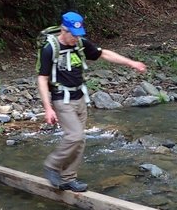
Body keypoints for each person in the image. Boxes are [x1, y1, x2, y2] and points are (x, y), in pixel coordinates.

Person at [38, 11, 147, 192]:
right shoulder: (50, 48)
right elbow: (42, 78)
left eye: (78, 34)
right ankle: (51, 165)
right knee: (75, 136)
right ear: (64, 30)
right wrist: (48, 108)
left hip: (80, 97)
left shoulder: (80, 43)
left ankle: (68, 178)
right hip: (62, 99)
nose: (76, 38)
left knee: (80, 142)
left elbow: (104, 54)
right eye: (73, 34)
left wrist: (131, 63)